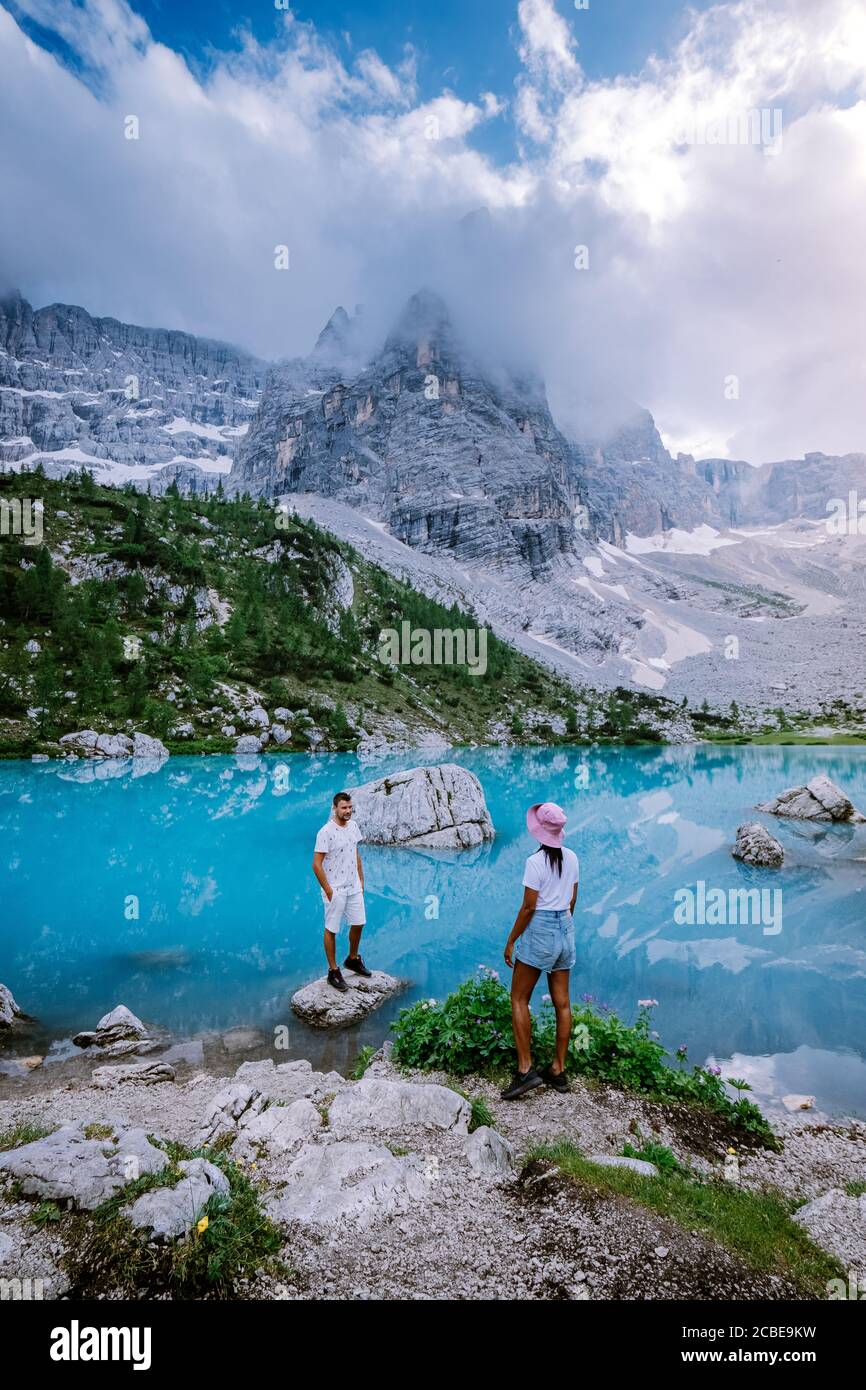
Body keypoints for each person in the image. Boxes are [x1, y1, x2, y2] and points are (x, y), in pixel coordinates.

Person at [501, 801, 579, 1100]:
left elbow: (529, 907)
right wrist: (563, 926)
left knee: (519, 998)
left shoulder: (534, 863)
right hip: (565, 928)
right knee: (563, 1002)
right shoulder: (572, 858)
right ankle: (558, 1069)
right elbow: (572, 900)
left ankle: (525, 1070)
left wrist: (511, 940)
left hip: (541, 929)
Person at [312, 791, 372, 992]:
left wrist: (361, 879)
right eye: (344, 808)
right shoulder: (325, 832)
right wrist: (329, 891)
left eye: (350, 807)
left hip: (353, 885)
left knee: (359, 923)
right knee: (332, 929)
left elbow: (355, 852)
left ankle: (353, 959)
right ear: (335, 808)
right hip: (335, 889)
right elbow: (316, 865)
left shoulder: (353, 826)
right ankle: (333, 971)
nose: (348, 811)